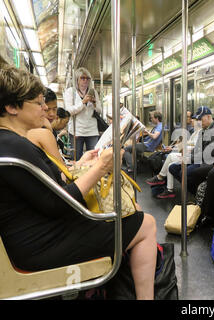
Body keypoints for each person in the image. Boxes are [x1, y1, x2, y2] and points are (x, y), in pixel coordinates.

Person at [0, 66, 157, 299]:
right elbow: (58, 203)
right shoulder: (16, 148)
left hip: (29, 236)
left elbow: (53, 185)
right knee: (146, 224)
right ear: (12, 107)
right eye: (37, 103)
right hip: (42, 244)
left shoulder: (12, 143)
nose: (45, 109)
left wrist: (85, 163)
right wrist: (102, 167)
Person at [169, 106, 214, 195]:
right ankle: (195, 191)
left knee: (185, 173)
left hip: (210, 162)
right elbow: (196, 148)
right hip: (199, 159)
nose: (199, 122)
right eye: (198, 120)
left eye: (201, 119)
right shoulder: (203, 130)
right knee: (173, 167)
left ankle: (198, 195)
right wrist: (188, 156)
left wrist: (190, 159)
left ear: (208, 117)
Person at [146, 113, 203, 199]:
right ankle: (169, 190)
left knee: (171, 156)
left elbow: (192, 146)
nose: (191, 121)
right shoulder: (195, 131)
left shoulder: (199, 132)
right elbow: (186, 143)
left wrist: (176, 148)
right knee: (169, 165)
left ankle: (160, 177)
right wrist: (173, 147)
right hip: (186, 153)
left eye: (193, 119)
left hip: (191, 156)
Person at [63, 67, 101, 161]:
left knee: (93, 157)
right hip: (77, 130)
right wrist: (83, 102)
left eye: (87, 78)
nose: (85, 80)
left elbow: (99, 110)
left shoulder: (93, 92)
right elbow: (69, 111)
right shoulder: (71, 92)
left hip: (92, 130)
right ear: (77, 79)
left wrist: (95, 103)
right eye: (82, 78)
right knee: (76, 158)